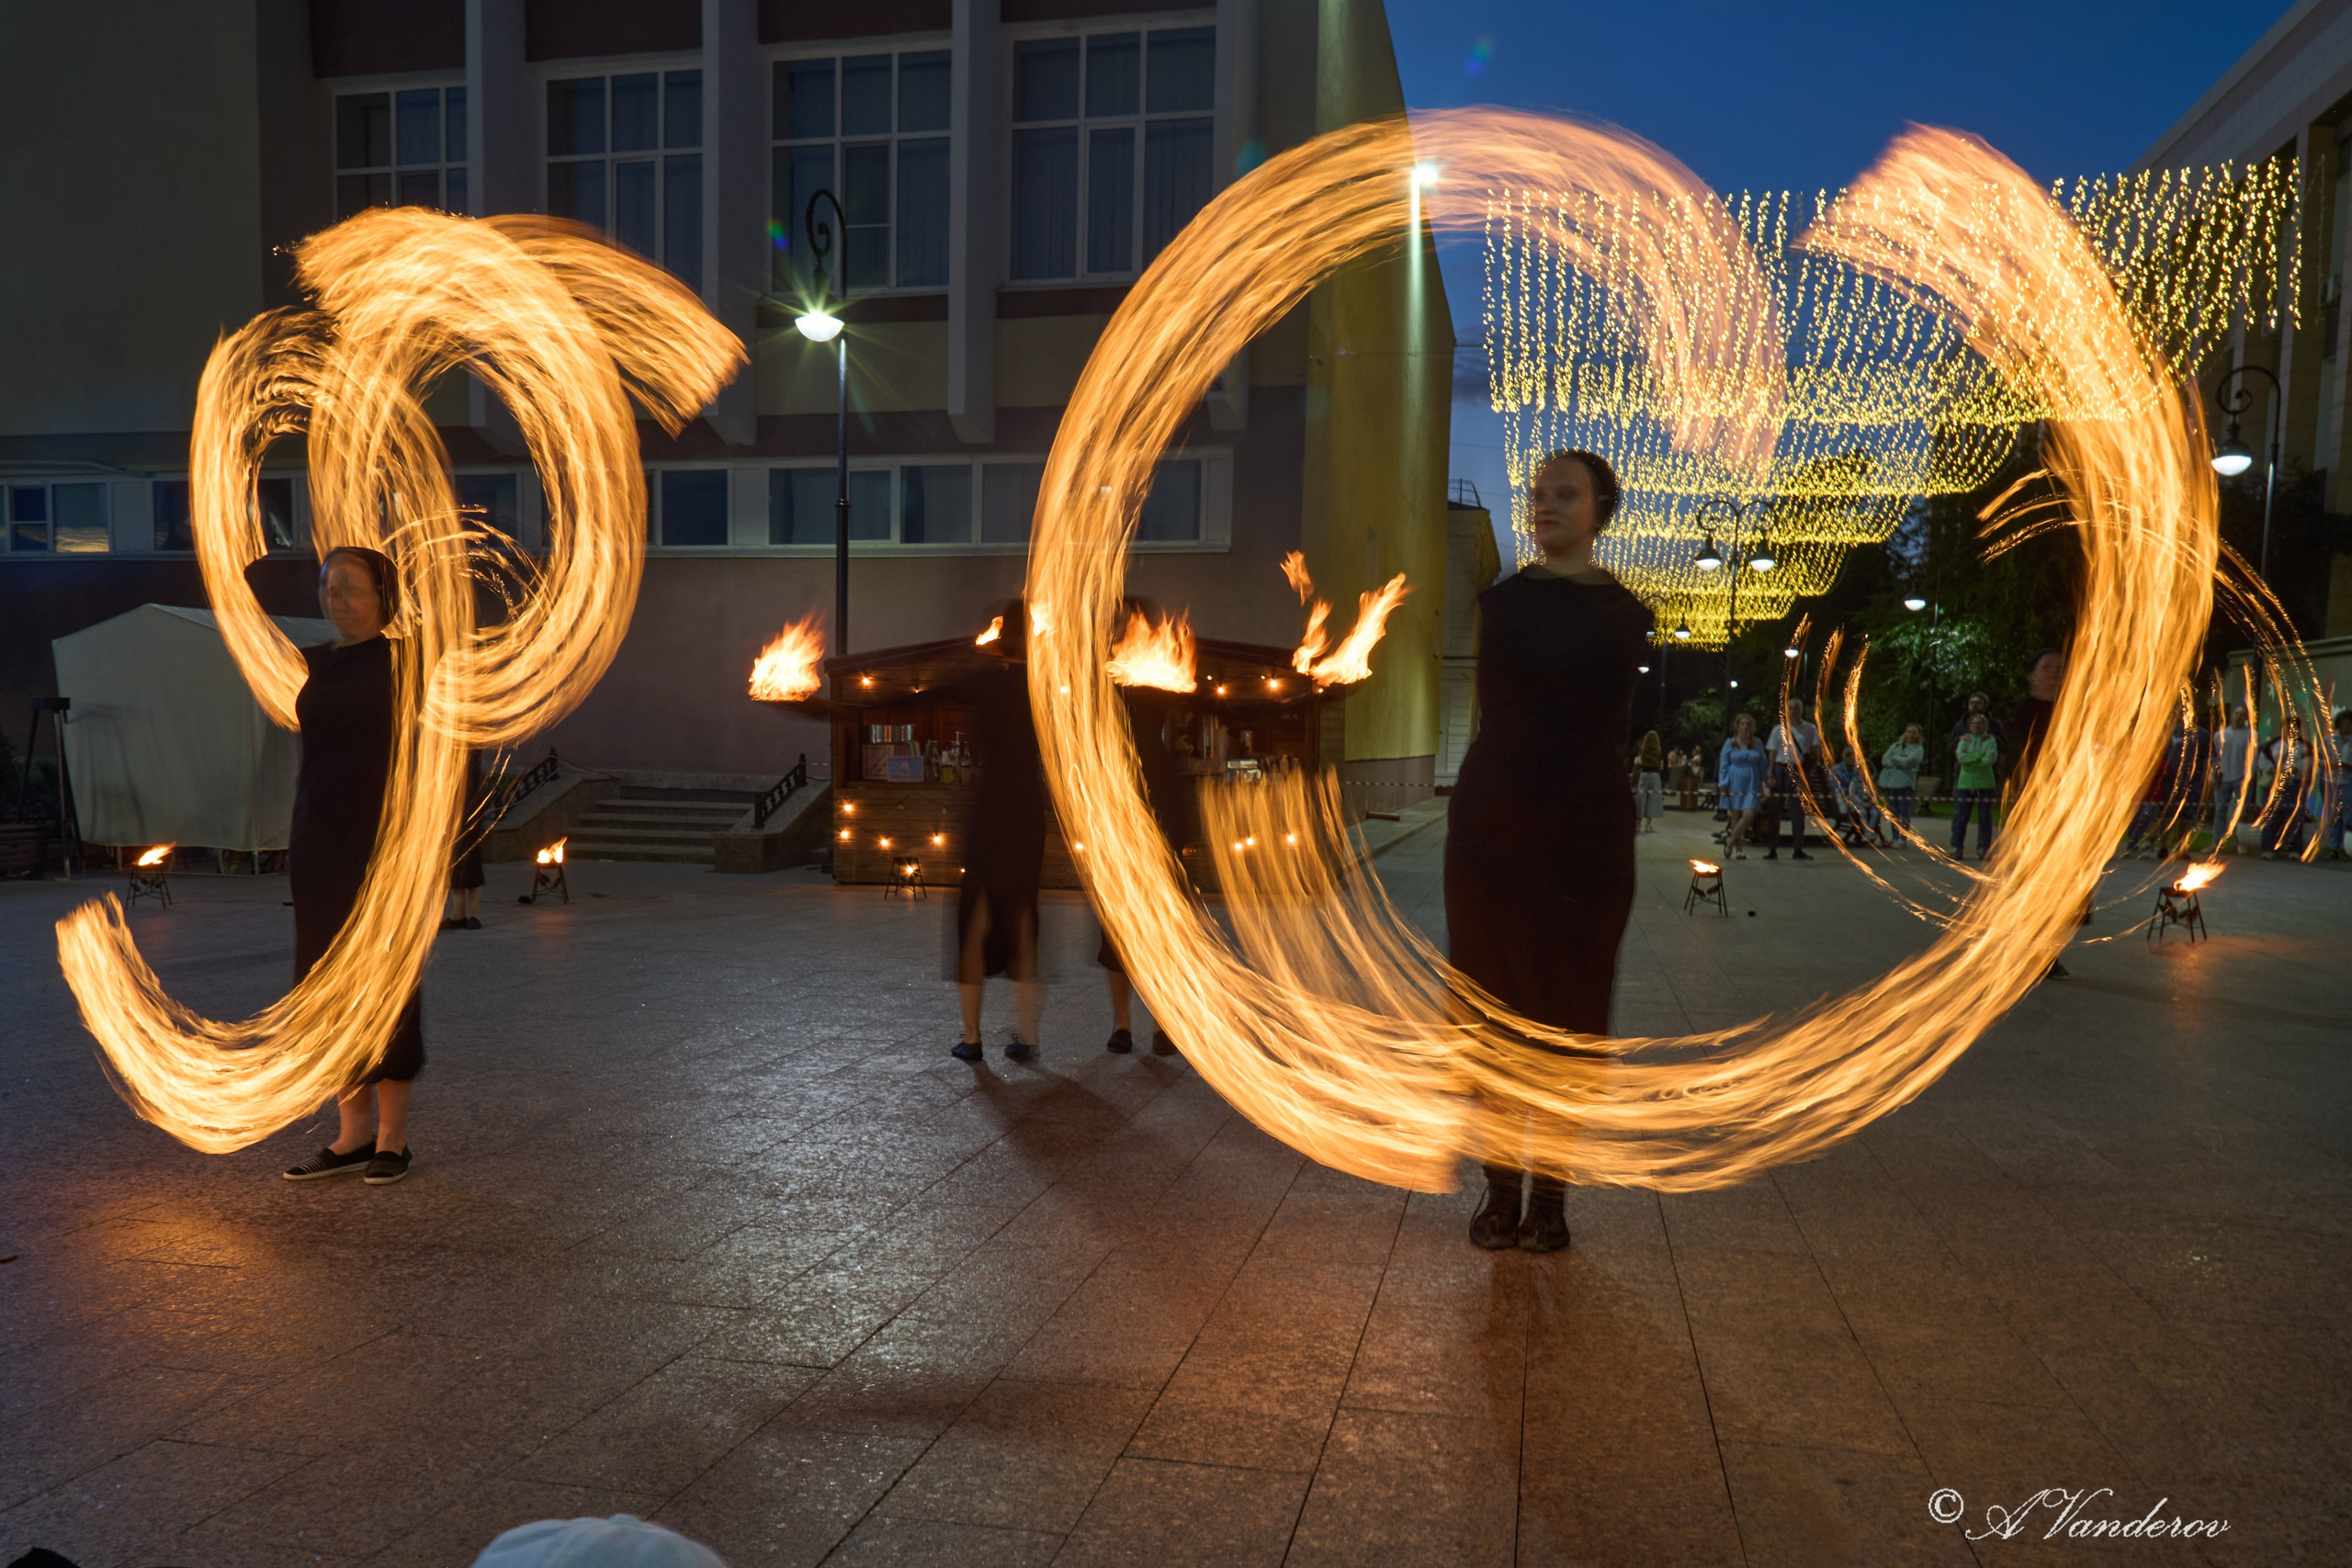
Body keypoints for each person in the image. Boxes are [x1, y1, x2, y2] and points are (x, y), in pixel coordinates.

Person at [1447, 449, 1651, 1254]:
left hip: (1584, 834)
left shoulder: (1626, 614)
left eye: (1565, 493)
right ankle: (1501, 1188)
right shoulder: (1499, 605)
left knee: (1569, 1012)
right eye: (1538, 493)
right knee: (1493, 1009)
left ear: (1602, 508)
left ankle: (1552, 1196)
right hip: (1494, 827)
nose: (1546, 504)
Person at [281, 547, 425, 1187]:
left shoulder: (409, 660)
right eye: (326, 585)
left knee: (387, 984)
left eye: (348, 587)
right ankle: (353, 1133)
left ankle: (393, 1136)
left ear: (383, 597)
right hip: (318, 842)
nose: (333, 597)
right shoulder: (314, 662)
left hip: (383, 845)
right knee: (327, 985)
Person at [1761, 696, 1821, 860]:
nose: (1794, 711)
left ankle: (1798, 847)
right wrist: (1770, 773)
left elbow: (1815, 751)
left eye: (1797, 708)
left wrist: (1811, 772)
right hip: (1781, 768)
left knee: (1798, 811)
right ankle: (1772, 847)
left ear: (1802, 710)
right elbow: (1773, 753)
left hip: (1798, 769)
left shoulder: (1810, 729)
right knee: (1775, 810)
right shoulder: (1778, 730)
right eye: (1791, 708)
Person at [444, 749, 488, 931]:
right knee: (455, 869)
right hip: (455, 819)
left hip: (469, 820)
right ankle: (458, 914)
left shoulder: (471, 766)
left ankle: (474, 915)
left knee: (471, 869)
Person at [1717, 712, 1767, 859]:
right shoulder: (1730, 743)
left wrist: (1766, 779)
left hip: (1752, 783)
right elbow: (1724, 765)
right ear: (1737, 726)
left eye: (1748, 724)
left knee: (1749, 814)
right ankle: (1739, 848)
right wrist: (1723, 784)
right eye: (1742, 724)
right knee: (1736, 815)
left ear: (1752, 727)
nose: (1745, 727)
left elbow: (1762, 763)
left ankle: (1730, 840)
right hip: (1735, 782)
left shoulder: (1757, 743)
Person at [1951, 712, 1999, 858]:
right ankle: (1957, 848)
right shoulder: (1965, 740)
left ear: (1985, 726)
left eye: (1980, 723)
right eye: (1974, 723)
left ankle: (1984, 849)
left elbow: (1990, 758)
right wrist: (1978, 757)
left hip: (1985, 783)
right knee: (1962, 817)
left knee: (1985, 817)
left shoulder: (1990, 740)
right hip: (1966, 783)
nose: (1977, 726)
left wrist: (1972, 760)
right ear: (1969, 726)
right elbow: (1961, 757)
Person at [2212, 703, 2254, 852]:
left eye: (2242, 714)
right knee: (2220, 810)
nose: (2239, 717)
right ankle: (2217, 842)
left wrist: (2248, 776)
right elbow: (2216, 757)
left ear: (2246, 718)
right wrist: (2214, 774)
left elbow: (2253, 758)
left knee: (2241, 812)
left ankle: (2240, 842)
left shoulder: (2251, 735)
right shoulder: (2221, 735)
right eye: (2236, 713)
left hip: (2241, 778)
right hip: (2223, 777)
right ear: (2232, 715)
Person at [1879, 723, 1926, 833]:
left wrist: (1894, 759)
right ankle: (1895, 836)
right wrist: (1899, 760)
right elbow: (1885, 759)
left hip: (1905, 784)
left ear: (1919, 735)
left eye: (1914, 732)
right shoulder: (1896, 745)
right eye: (1909, 732)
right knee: (1893, 813)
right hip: (1891, 783)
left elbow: (1908, 762)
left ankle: (1903, 837)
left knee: (1904, 812)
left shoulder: (1918, 749)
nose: (1911, 734)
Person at [1634, 730, 1666, 832]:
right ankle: (1648, 825)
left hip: (1644, 774)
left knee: (1641, 798)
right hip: (1654, 775)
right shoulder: (1658, 752)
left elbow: (1639, 763)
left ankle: (1638, 824)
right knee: (1652, 799)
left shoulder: (1643, 751)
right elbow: (1661, 767)